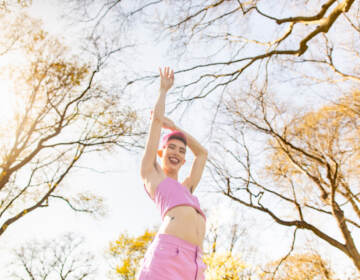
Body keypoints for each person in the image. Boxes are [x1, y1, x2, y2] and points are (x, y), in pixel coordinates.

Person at [137, 67, 208, 280]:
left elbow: (202, 154)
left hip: (195, 263)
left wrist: (175, 127)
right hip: (168, 257)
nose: (176, 153)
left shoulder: (187, 188)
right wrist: (163, 91)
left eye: (181, 151)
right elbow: (156, 123)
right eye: (172, 148)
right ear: (161, 152)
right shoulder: (152, 173)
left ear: (184, 160)